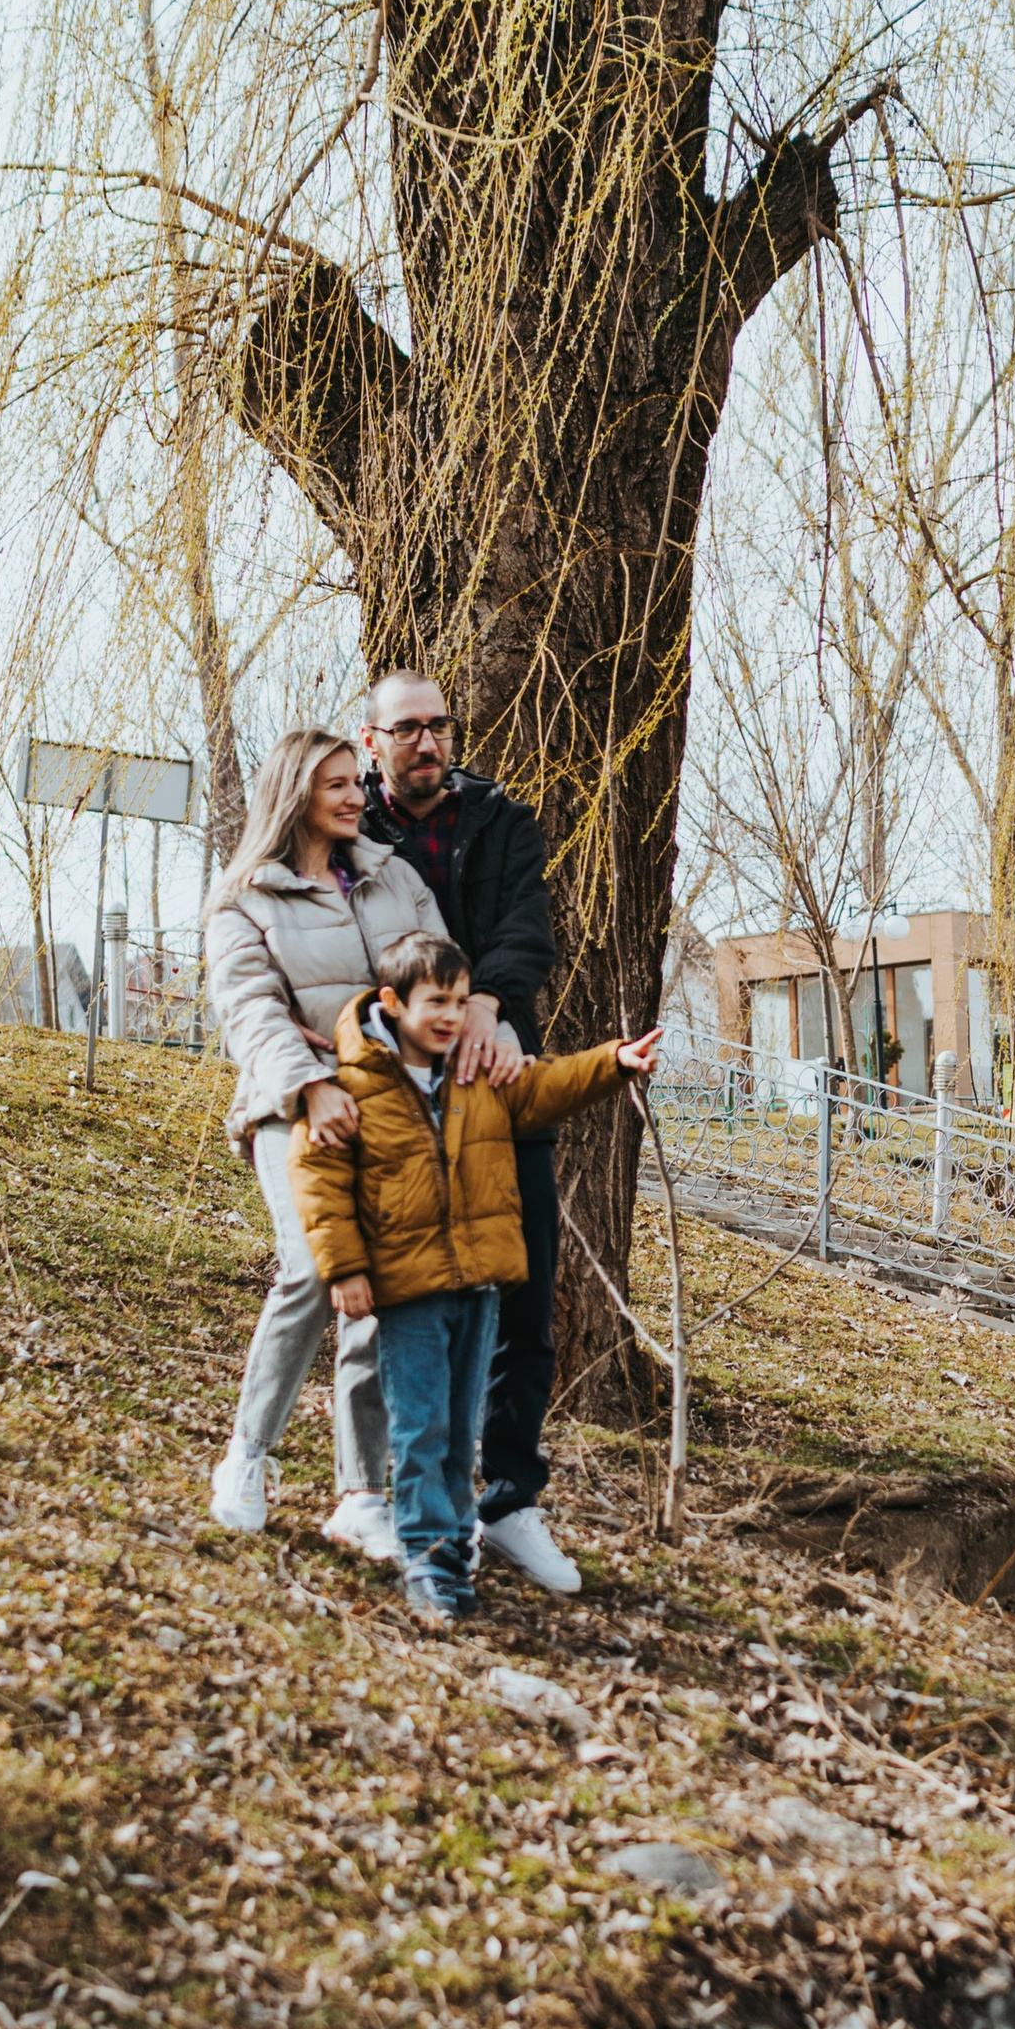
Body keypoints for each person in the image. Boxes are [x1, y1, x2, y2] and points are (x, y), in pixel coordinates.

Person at [289, 927, 660, 1623]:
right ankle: (427, 1556)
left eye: (461, 1001)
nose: (452, 1016)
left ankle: (455, 1550)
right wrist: (342, 1269)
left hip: (480, 1285)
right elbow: (319, 1179)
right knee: (421, 1426)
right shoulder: (355, 1085)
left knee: (461, 1429)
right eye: (437, 1001)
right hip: (409, 1293)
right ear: (394, 1003)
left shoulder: (477, 1073)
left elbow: (546, 1087)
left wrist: (614, 1062)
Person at [353, 672, 581, 1593]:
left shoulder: (501, 823)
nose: (427, 742)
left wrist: (487, 1000)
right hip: (397, 1101)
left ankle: (511, 1497)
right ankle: (390, 1501)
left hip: (493, 1074)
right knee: (399, 1306)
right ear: (371, 742)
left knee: (523, 1288)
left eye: (438, 726)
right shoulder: (349, 834)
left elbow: (529, 926)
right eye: (406, 729)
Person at [202, 729, 446, 1546]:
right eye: (335, 784)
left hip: (390, 1106)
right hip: (289, 1107)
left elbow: (434, 976)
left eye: (355, 782)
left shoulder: (393, 877)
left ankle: (360, 1496)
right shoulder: (244, 899)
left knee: (378, 1291)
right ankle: (247, 1453)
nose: (353, 797)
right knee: (312, 1270)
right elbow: (249, 1010)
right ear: (295, 793)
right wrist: (310, 1084)